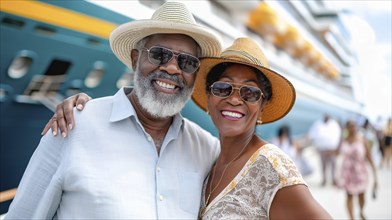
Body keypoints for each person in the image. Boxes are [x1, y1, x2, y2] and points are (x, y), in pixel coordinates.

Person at [42, 38, 332, 219]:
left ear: (262, 106)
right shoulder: (207, 154)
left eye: (250, 93)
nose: (234, 98)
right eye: (223, 87)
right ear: (208, 98)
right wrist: (90, 110)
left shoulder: (271, 166)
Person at [6, 2, 222, 219]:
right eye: (159, 55)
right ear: (135, 59)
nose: (172, 68)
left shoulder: (206, 149)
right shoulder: (74, 125)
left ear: (195, 75)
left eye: (187, 62)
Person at [338, 120, 378, 220]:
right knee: (349, 196)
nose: (352, 128)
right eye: (350, 126)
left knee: (361, 195)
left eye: (354, 126)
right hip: (347, 173)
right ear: (347, 128)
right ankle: (351, 218)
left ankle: (361, 211)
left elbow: (369, 157)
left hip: (360, 172)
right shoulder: (344, 140)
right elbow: (336, 152)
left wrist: (375, 175)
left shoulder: (362, 140)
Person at [307, 114, 342, 186]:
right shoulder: (317, 124)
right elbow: (312, 135)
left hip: (332, 149)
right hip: (322, 149)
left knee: (333, 165)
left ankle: (334, 180)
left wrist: (338, 148)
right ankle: (324, 180)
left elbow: (339, 136)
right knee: (323, 165)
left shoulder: (334, 124)